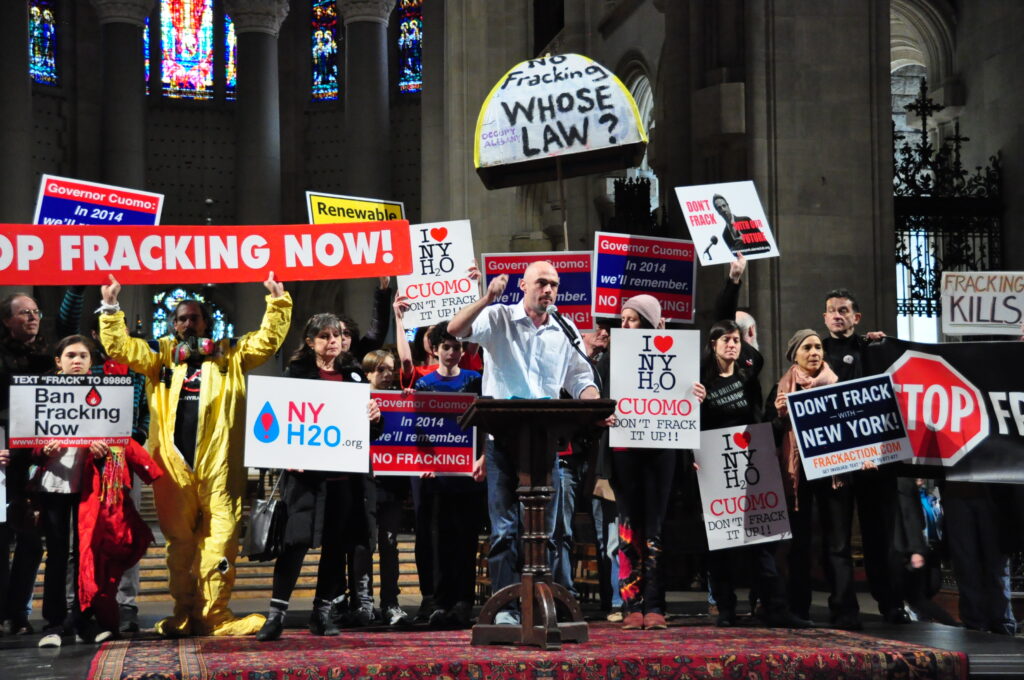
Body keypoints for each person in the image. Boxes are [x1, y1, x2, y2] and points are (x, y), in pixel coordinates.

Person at [99, 272, 292, 637]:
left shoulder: (231, 353)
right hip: (173, 467)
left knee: (220, 541)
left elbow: (267, 341)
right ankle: (184, 614)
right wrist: (110, 307)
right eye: (182, 319)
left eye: (195, 318)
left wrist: (278, 302)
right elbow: (120, 348)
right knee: (180, 548)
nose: (189, 324)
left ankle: (215, 615)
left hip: (220, 465)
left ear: (208, 322)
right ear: (173, 325)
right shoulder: (160, 357)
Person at [447, 260, 604, 626]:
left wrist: (595, 403)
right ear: (523, 285)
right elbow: (456, 329)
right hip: (502, 440)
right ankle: (506, 607)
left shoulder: (564, 329)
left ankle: (539, 602)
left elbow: (581, 377)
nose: (548, 290)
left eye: (554, 284)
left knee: (544, 532)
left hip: (545, 441)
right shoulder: (498, 317)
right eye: (542, 283)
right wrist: (486, 296)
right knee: (504, 530)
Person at [256, 313, 382, 642]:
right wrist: (286, 451)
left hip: (345, 482)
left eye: (337, 335)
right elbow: (279, 421)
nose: (333, 341)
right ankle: (276, 614)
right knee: (294, 545)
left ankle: (322, 613)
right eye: (325, 336)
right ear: (311, 342)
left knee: (335, 548)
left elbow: (368, 432)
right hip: (307, 481)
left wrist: (375, 416)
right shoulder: (296, 374)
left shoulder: (354, 374)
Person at [697, 321, 810, 629]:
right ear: (713, 344)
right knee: (720, 546)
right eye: (726, 340)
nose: (732, 345)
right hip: (715, 468)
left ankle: (776, 607)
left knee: (763, 541)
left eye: (736, 340)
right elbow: (692, 427)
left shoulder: (748, 380)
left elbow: (757, 421)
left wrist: (779, 418)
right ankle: (725, 609)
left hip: (750, 464)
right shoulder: (700, 382)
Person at [609, 295, 701, 631]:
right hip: (625, 450)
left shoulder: (675, 355)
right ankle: (632, 605)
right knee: (629, 529)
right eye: (623, 319)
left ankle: (656, 605)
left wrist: (695, 394)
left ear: (648, 323)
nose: (624, 325)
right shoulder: (612, 358)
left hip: (663, 447)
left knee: (656, 530)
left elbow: (683, 397)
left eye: (632, 319)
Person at [820, 289, 906, 624]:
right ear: (824, 317)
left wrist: (882, 343)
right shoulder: (816, 351)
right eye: (830, 311)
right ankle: (843, 608)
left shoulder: (874, 349)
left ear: (857, 317)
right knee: (837, 539)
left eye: (843, 310)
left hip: (876, 460)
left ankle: (891, 604)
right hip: (835, 462)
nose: (836, 315)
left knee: (880, 536)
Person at [766, 329, 862, 628]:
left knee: (838, 544)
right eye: (807, 347)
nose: (814, 352)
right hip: (799, 476)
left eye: (818, 346)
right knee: (799, 543)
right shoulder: (780, 389)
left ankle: (845, 611)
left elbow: (856, 426)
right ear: (794, 354)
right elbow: (768, 432)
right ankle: (799, 608)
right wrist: (780, 417)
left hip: (834, 474)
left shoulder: (838, 386)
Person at [410, 322, 486, 628]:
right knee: (439, 541)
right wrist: (422, 462)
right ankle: (441, 603)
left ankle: (463, 602)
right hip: (437, 477)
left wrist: (482, 457)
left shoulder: (475, 380)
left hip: (468, 476)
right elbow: (415, 430)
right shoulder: (424, 385)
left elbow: (485, 425)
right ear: (435, 350)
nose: (452, 352)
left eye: (457, 347)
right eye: (446, 347)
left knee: (466, 540)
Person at [1, 293, 52, 636]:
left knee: (33, 542)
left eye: (35, 312)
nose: (32, 317)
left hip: (38, 459)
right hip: (3, 459)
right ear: (7, 321)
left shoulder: (49, 355)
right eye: (24, 313)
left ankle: (18, 612)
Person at [361, 349, 412, 626]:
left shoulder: (400, 400)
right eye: (380, 369)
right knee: (364, 546)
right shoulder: (356, 400)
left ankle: (391, 603)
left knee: (390, 546)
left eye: (390, 369)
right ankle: (364, 603)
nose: (387, 374)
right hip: (364, 484)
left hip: (391, 486)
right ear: (367, 373)